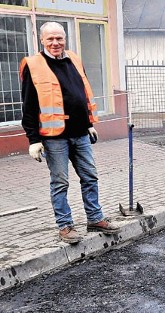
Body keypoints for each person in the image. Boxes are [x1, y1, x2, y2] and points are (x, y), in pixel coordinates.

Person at [20, 21, 120, 244]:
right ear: (42, 40)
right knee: (60, 182)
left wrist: (89, 123)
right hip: (54, 138)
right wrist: (33, 140)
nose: (55, 43)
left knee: (90, 176)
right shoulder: (33, 65)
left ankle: (95, 219)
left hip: (80, 133)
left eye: (59, 38)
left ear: (65, 39)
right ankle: (65, 226)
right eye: (50, 39)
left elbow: (81, 94)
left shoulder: (74, 59)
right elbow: (29, 105)